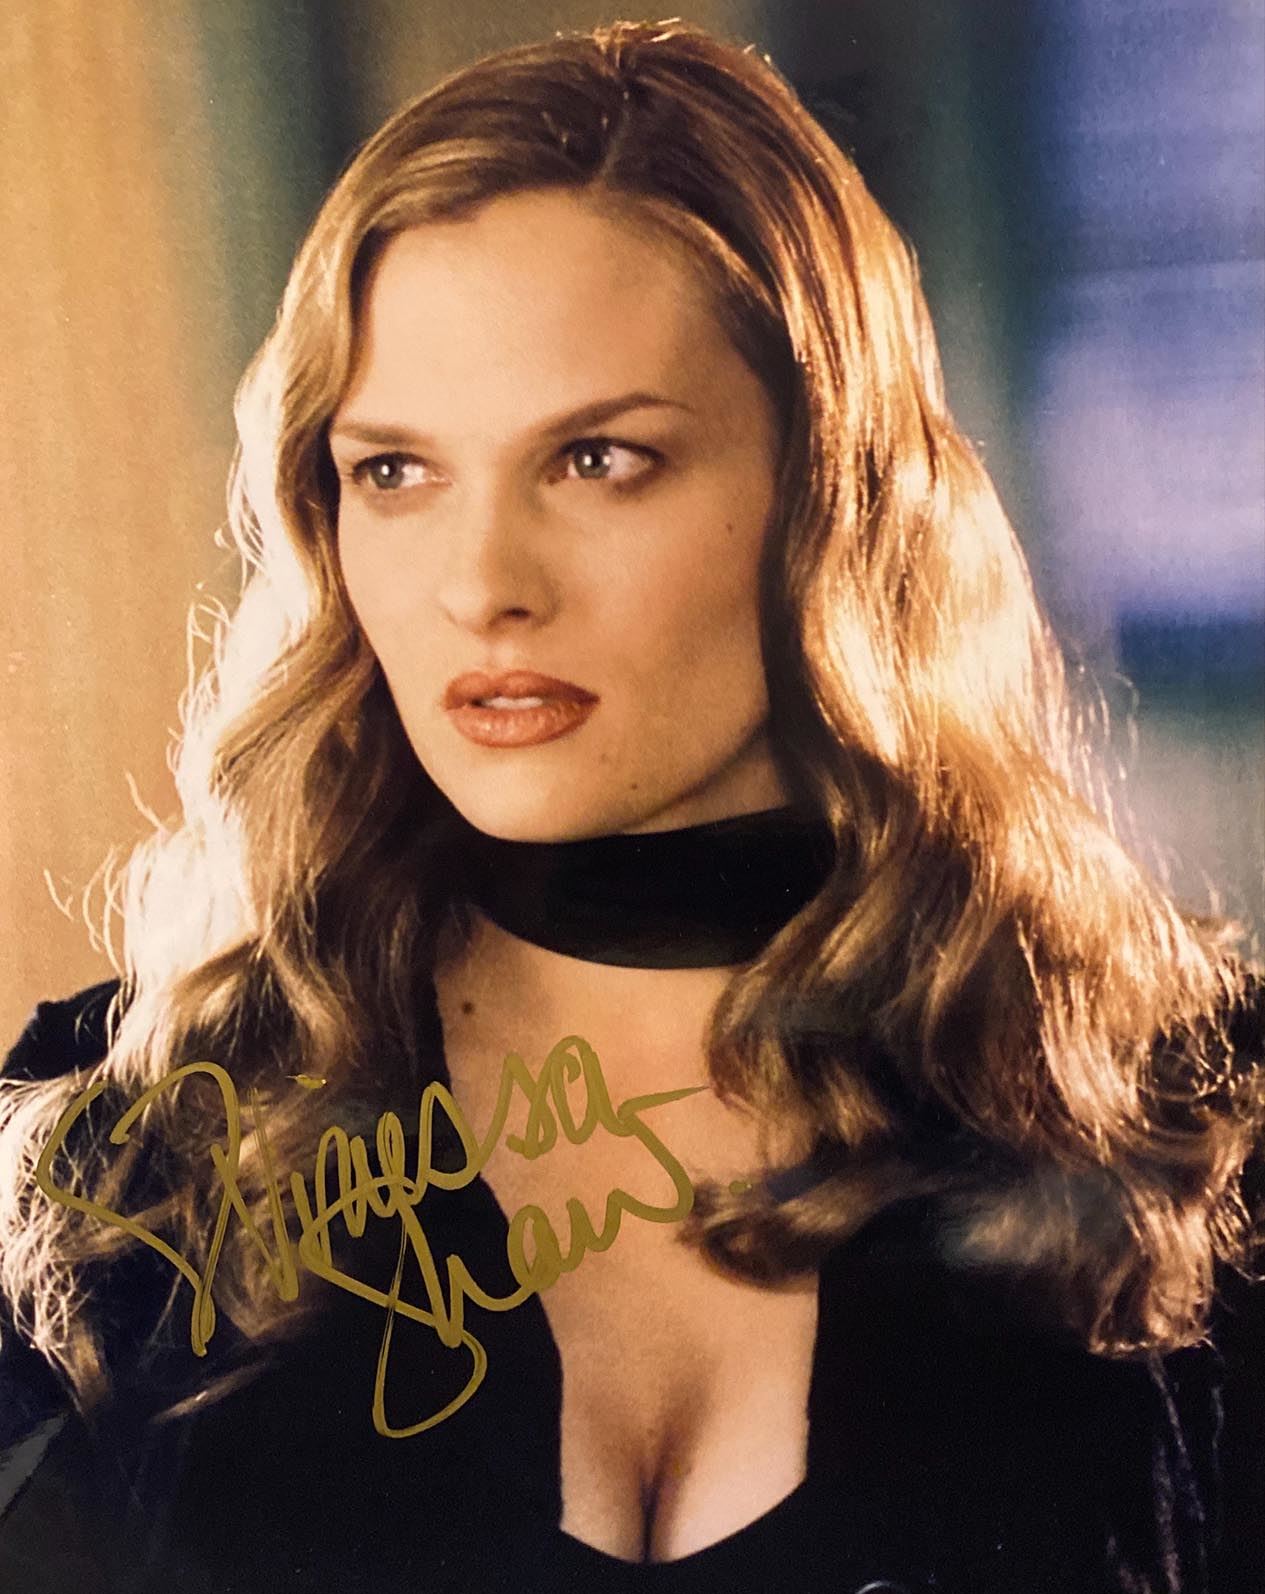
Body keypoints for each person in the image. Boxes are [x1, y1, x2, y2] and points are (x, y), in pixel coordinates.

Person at [1, 18, 1261, 1594]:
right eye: (395, 472)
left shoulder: (1195, 1124)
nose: (481, 584)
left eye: (597, 458)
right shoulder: (125, 1147)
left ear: (828, 491)